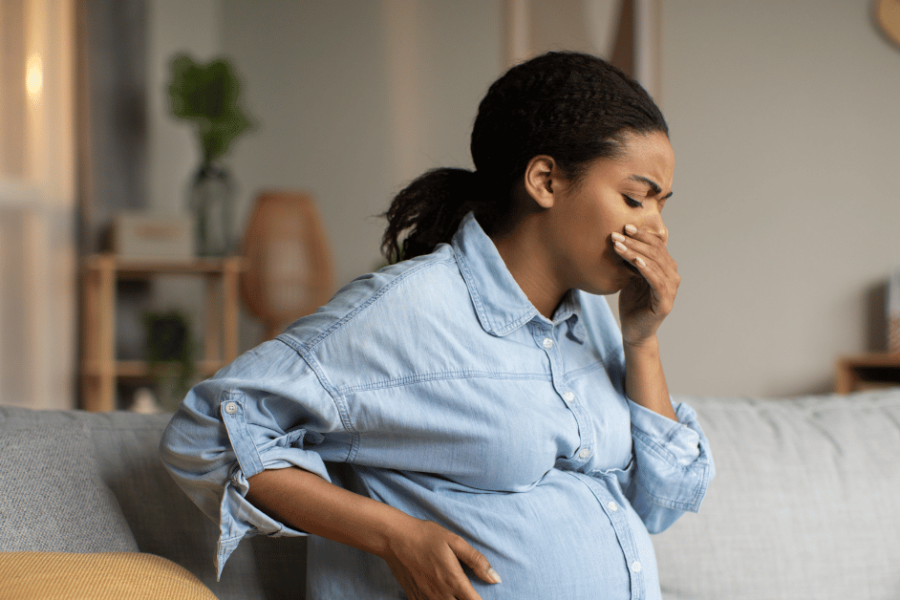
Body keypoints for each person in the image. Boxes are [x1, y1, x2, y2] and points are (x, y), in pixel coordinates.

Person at [160, 51, 714, 600]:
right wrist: (396, 536)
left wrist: (642, 341)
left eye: (661, 206)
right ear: (545, 181)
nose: (656, 229)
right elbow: (207, 432)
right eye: (635, 199)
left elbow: (658, 505)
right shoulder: (409, 310)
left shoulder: (592, 315)